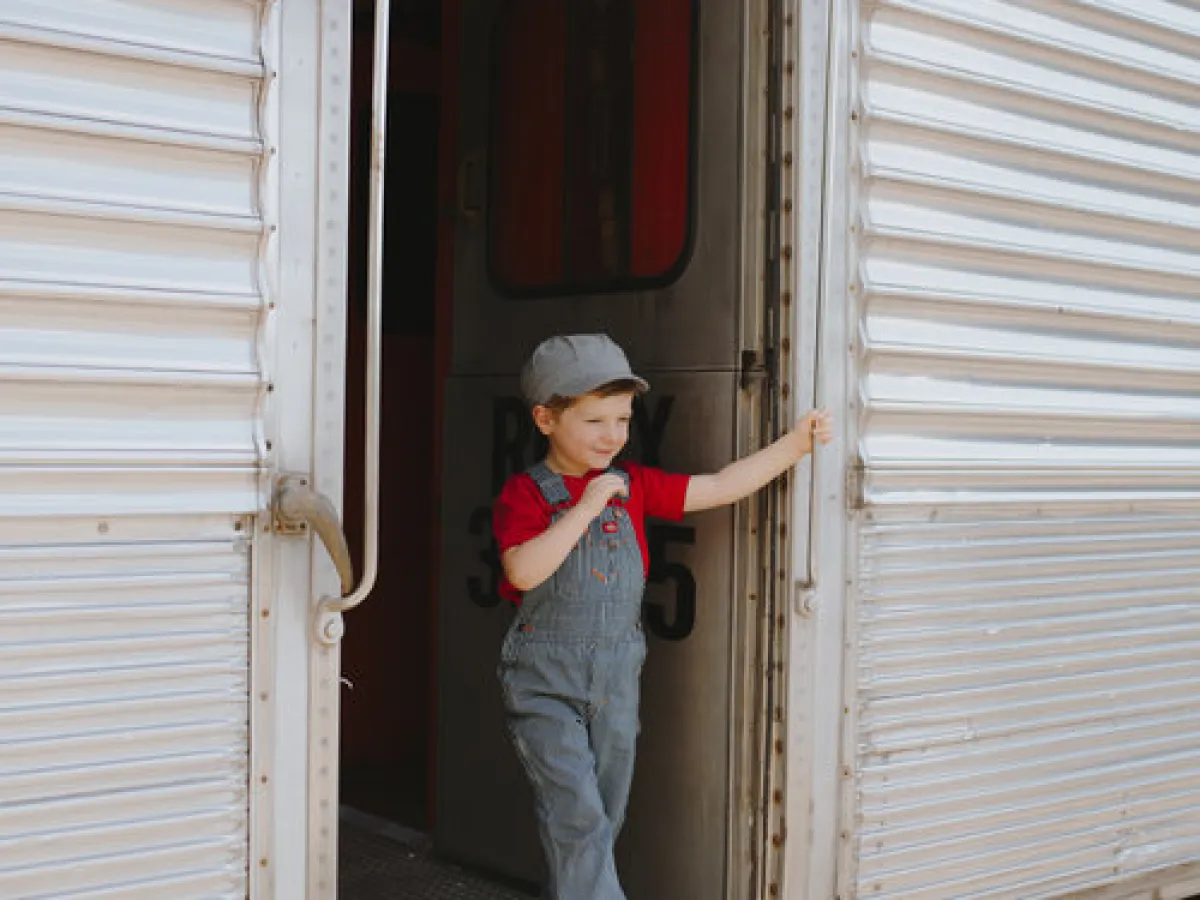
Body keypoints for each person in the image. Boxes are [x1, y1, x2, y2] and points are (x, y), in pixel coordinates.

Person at [492, 334, 833, 899]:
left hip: (616, 681)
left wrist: (793, 447)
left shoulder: (636, 485)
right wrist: (584, 508)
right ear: (545, 419)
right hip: (544, 683)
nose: (612, 435)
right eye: (594, 419)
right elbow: (524, 571)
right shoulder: (528, 493)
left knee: (601, 820)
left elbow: (721, 487)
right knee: (578, 818)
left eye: (622, 419)